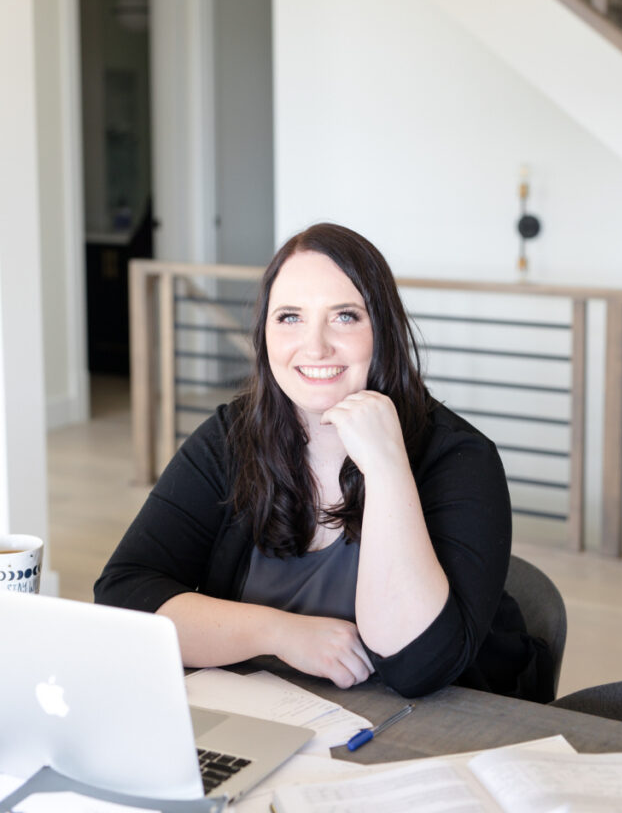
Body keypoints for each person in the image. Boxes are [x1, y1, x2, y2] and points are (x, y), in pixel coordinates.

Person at [95, 223, 553, 701]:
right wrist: (280, 633)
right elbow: (124, 598)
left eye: (345, 317)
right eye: (290, 317)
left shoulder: (461, 458)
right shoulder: (230, 438)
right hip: (274, 719)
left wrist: (387, 467)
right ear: (265, 332)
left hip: (432, 733)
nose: (314, 347)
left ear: (384, 330)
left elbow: (419, 666)